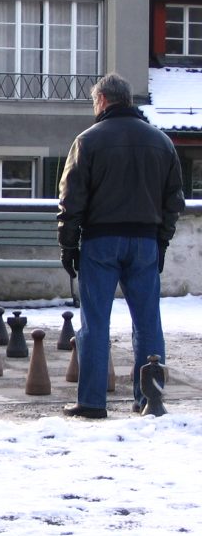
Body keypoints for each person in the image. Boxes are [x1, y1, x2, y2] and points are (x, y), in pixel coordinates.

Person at [57, 73, 185, 419]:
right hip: (145, 241)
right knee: (148, 323)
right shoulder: (162, 142)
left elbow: (71, 201)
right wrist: (162, 240)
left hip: (100, 241)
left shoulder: (87, 141)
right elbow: (174, 200)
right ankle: (150, 400)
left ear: (101, 101)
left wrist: (68, 246)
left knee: (95, 324)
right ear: (127, 100)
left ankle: (93, 402)